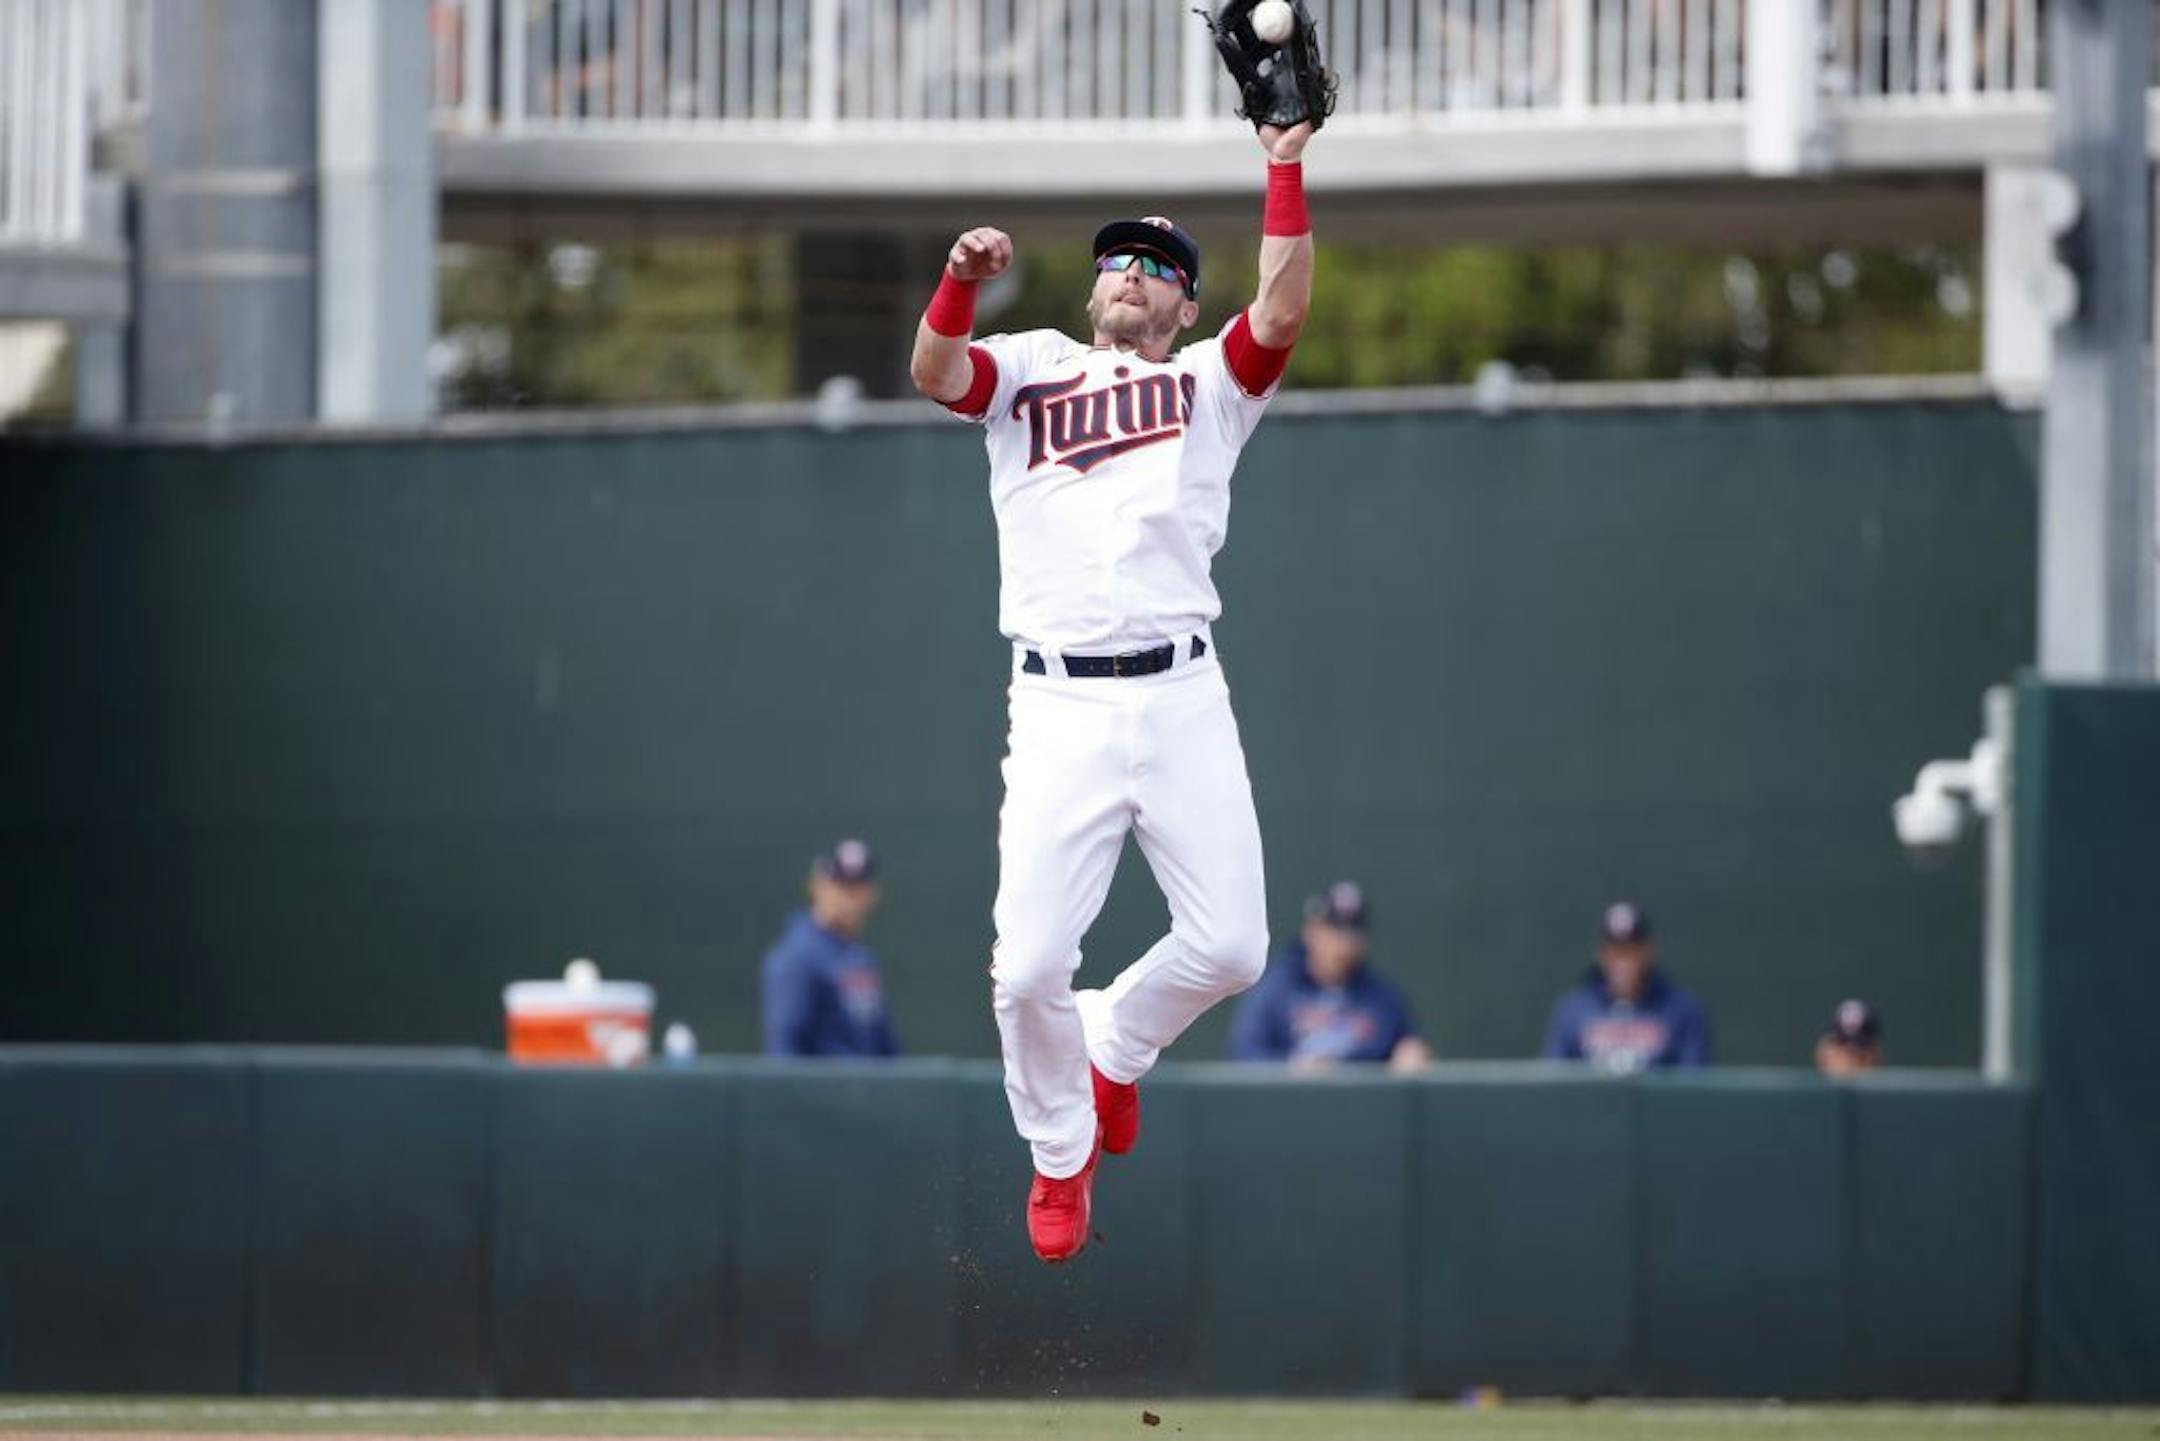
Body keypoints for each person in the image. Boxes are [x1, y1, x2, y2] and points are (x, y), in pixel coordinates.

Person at [907, 118, 1320, 1262]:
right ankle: (1057, 1151)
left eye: (1161, 271)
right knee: (1028, 967)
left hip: (1183, 692)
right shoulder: (1035, 366)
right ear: (1094, 290)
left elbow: (1282, 311)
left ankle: (1117, 1047)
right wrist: (955, 283)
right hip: (1058, 705)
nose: (1133, 276)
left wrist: (1282, 163)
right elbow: (937, 373)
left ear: (1187, 308)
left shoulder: (1209, 387)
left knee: (1234, 946)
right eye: (1119, 262)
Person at [1230, 881, 1431, 1073]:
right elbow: (1245, 1056)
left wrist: (1409, 1056)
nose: (1344, 944)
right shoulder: (1275, 990)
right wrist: (1293, 1068)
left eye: (1352, 933)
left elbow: (1405, 1050)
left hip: (1361, 1104)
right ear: (1312, 931)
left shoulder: (1383, 998)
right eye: (1334, 930)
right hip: (1293, 1103)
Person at [759, 838, 900, 1059]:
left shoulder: (860, 957)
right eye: (841, 886)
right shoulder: (797, 956)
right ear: (816, 886)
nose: (849, 899)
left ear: (872, 894)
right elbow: (785, 1051)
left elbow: (884, 1044)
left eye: (858, 888)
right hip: (826, 1092)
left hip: (870, 1091)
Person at [1540, 902, 1710, 1072]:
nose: (1623, 962)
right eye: (1615, 951)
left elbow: (1692, 1085)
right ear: (1601, 954)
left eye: (1631, 951)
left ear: (1649, 951)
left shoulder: (1681, 1009)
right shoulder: (1573, 1009)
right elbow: (1556, 1083)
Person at [1815, 998, 1882, 1076]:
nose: (1852, 1047)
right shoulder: (1828, 1046)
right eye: (1843, 1041)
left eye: (1859, 1042)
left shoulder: (1872, 1050)